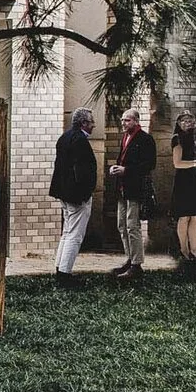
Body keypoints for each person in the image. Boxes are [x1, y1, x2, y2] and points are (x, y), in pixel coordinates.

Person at [48, 108, 98, 282]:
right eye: (91, 121)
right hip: (77, 195)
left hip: (64, 192)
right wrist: (85, 193)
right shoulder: (80, 141)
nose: (93, 125)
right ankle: (65, 273)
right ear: (83, 123)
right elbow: (83, 171)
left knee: (67, 231)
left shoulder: (65, 137)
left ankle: (60, 267)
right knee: (75, 235)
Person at [107, 107, 156, 278]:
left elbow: (149, 164)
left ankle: (136, 265)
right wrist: (116, 168)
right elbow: (124, 159)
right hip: (122, 188)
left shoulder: (145, 139)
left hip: (135, 188)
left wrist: (126, 170)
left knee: (132, 225)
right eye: (122, 120)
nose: (123, 123)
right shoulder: (125, 137)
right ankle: (129, 259)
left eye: (127, 120)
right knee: (122, 225)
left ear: (136, 121)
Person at [169, 110, 196, 272]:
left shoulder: (192, 138)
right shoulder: (177, 138)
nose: (188, 123)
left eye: (191, 121)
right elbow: (177, 163)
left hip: (194, 180)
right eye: (185, 121)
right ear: (179, 123)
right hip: (184, 181)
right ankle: (184, 250)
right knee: (184, 216)